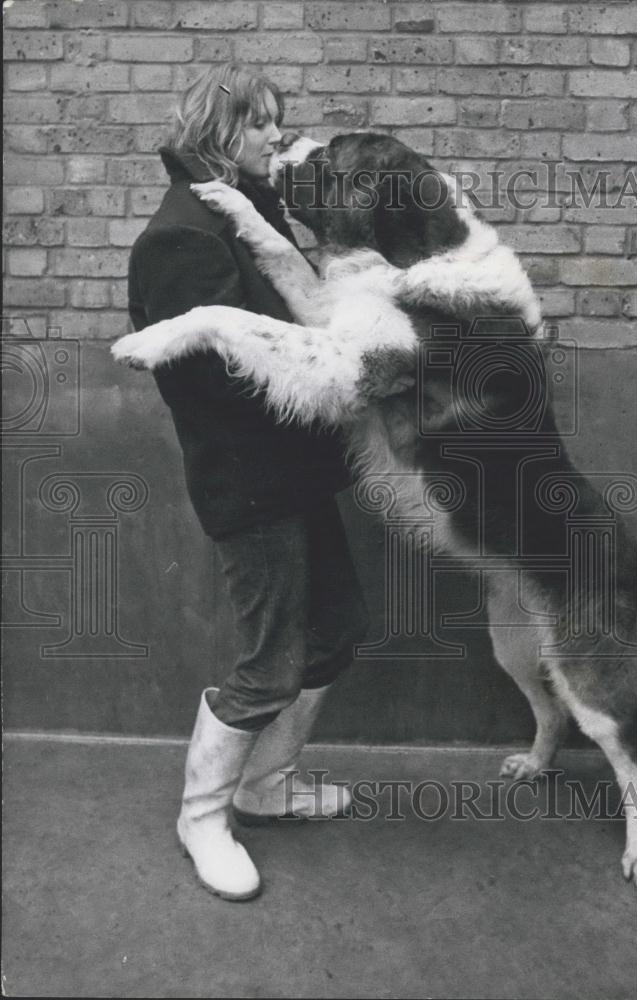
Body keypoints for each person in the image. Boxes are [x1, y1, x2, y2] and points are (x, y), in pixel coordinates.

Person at [126, 64, 369, 901]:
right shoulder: (180, 236)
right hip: (248, 482)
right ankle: (203, 817)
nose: (277, 137)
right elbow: (206, 385)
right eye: (262, 125)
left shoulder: (254, 210)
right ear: (219, 134)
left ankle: (266, 786)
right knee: (270, 664)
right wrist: (334, 382)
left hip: (300, 471)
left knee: (338, 629)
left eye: (276, 122)